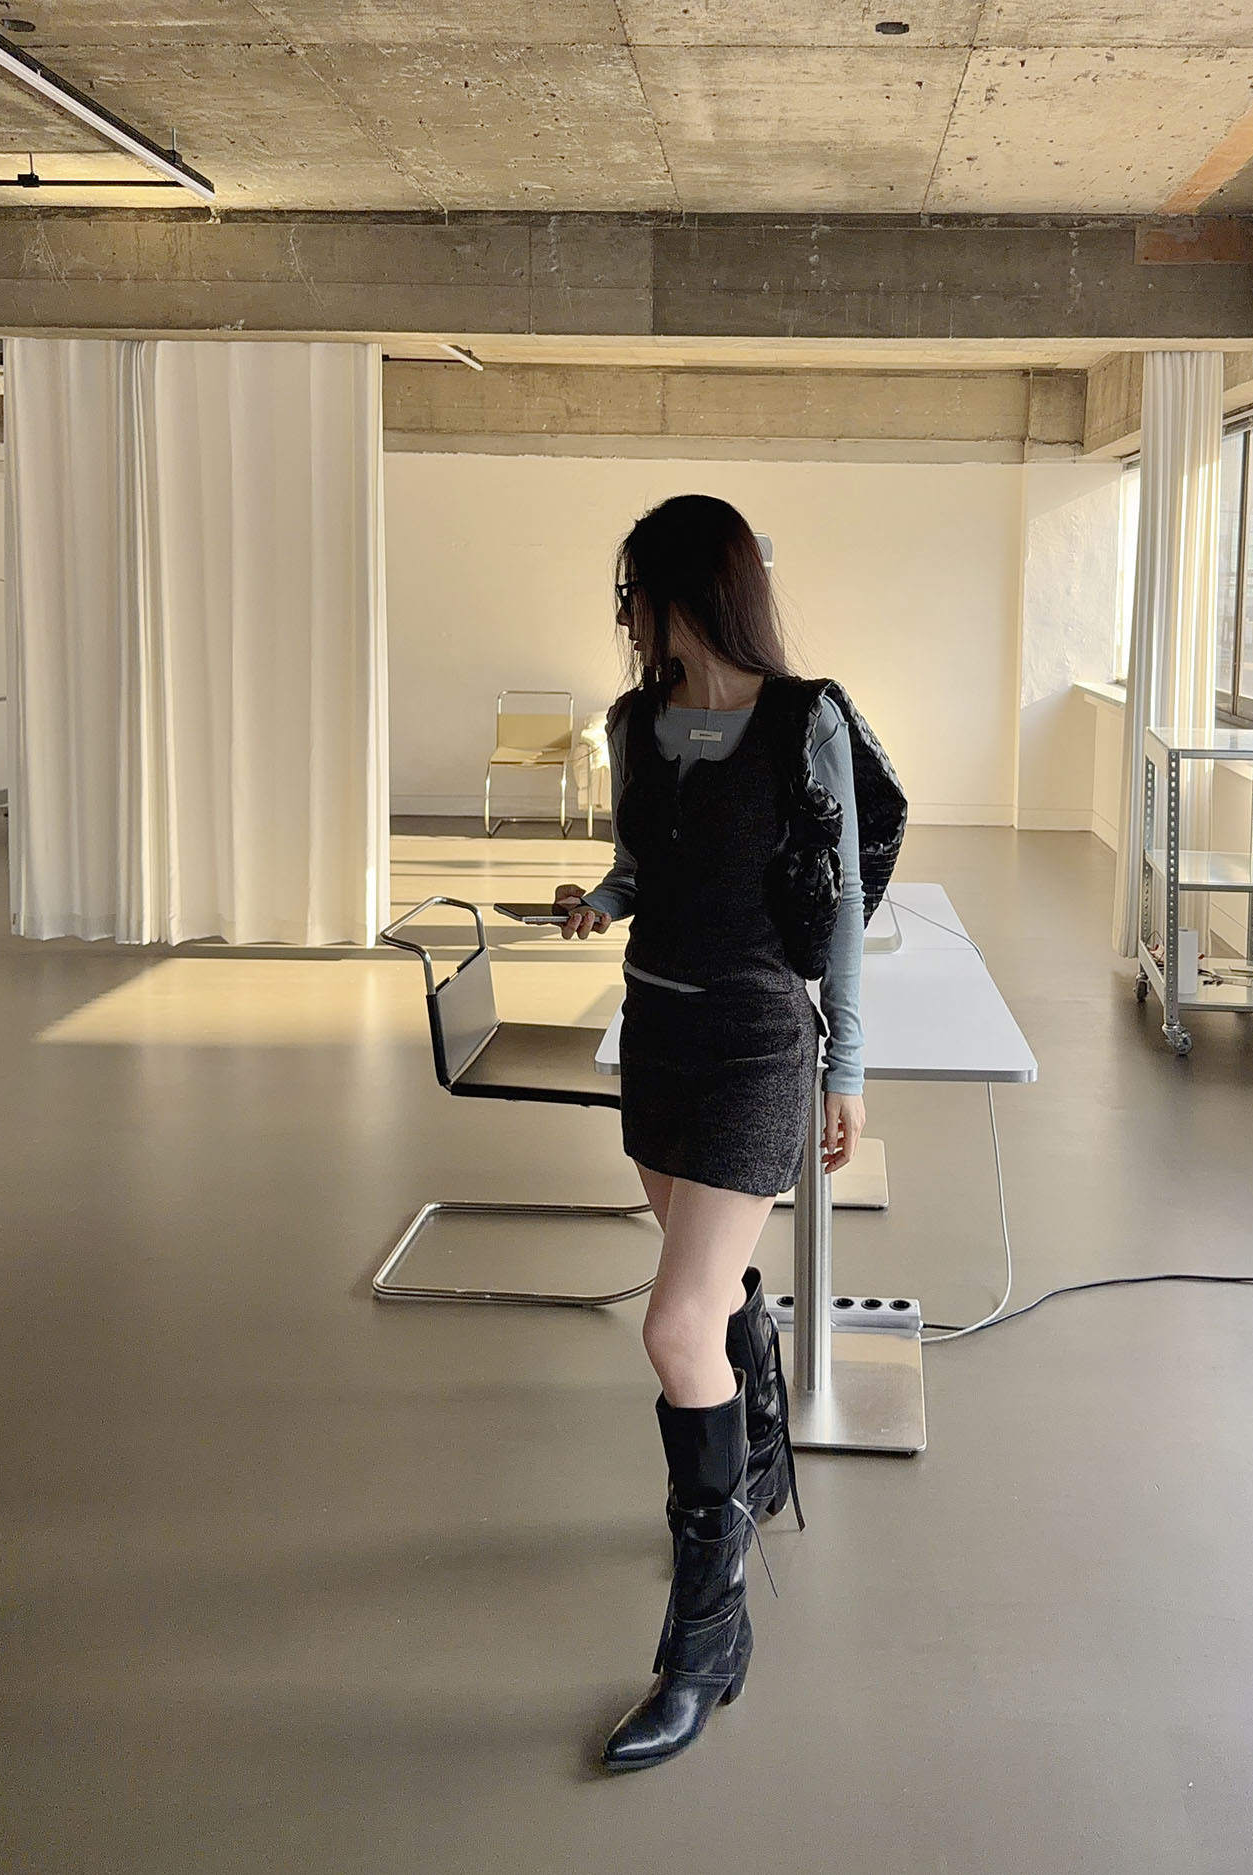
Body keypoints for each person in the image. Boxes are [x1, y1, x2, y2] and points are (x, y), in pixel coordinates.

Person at [553, 493, 867, 1772]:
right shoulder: (633, 722)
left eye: (632, 590)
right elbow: (645, 865)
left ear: (685, 590)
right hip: (657, 1035)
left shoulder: (806, 721)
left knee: (675, 1327)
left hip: (752, 1046)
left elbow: (839, 904)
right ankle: (763, 1438)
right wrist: (602, 896)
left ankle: (707, 1637)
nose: (625, 614)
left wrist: (848, 1065)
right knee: (716, 1287)